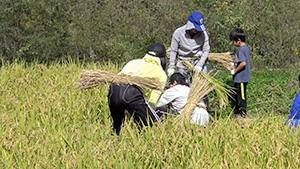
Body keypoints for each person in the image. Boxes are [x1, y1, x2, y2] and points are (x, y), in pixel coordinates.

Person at [108, 43, 168, 135]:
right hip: (131, 93)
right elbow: (153, 101)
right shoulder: (161, 73)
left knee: (117, 128)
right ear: (163, 59)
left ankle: (113, 143)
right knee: (154, 126)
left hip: (113, 90)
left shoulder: (133, 62)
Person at [167, 12, 210, 80]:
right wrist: (171, 67)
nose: (199, 31)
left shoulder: (203, 34)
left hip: (198, 62)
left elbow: (206, 50)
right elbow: (173, 50)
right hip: (183, 64)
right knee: (185, 86)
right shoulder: (178, 33)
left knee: (202, 84)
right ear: (191, 25)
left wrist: (200, 64)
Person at [229, 28, 251, 118]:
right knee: (238, 95)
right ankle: (238, 112)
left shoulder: (241, 50)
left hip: (241, 78)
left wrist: (235, 70)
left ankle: (242, 114)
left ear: (238, 40)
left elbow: (243, 63)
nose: (233, 43)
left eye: (233, 41)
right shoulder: (246, 48)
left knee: (241, 97)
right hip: (241, 78)